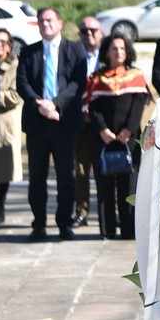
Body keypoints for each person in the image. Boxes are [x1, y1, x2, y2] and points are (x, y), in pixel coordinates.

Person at [17, 7, 88, 242]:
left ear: (59, 23)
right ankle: (38, 224)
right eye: (41, 20)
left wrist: (55, 105)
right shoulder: (28, 52)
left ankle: (64, 223)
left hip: (64, 122)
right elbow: (22, 83)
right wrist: (40, 105)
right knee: (37, 177)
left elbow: (77, 83)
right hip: (37, 123)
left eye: (49, 20)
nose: (45, 24)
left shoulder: (75, 50)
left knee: (66, 177)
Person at [82, 35, 148, 240]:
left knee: (129, 185)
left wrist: (128, 130)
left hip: (128, 138)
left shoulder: (136, 75)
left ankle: (129, 229)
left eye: (122, 48)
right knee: (104, 185)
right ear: (106, 52)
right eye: (114, 48)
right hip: (103, 138)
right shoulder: (96, 78)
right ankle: (107, 229)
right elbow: (92, 108)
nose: (118, 52)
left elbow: (139, 105)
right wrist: (103, 130)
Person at [0, 28, 23, 225]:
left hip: (5, 124)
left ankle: (0, 206)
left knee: (2, 169)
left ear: (10, 46)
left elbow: (16, 95)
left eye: (3, 42)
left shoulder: (16, 66)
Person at [71, 16, 104, 229]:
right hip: (79, 123)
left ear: (101, 33)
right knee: (81, 171)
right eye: (84, 31)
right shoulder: (73, 56)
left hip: (105, 125)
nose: (89, 34)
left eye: (93, 30)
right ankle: (81, 211)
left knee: (107, 170)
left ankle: (110, 213)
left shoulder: (110, 56)